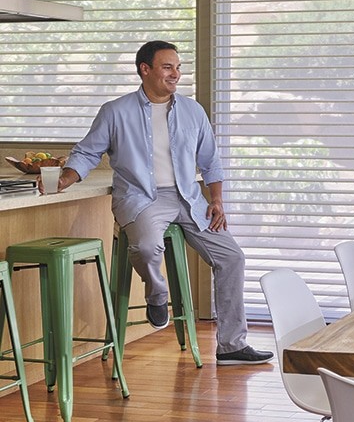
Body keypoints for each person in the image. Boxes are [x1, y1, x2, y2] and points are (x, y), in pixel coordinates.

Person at [57, 41, 272, 366]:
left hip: (188, 197)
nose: (176, 74)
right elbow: (88, 152)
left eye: (178, 67)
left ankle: (231, 346)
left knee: (232, 257)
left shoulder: (192, 111)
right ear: (145, 69)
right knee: (145, 249)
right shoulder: (116, 111)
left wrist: (216, 200)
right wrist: (65, 178)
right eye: (168, 67)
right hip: (141, 196)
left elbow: (211, 160)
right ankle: (157, 292)